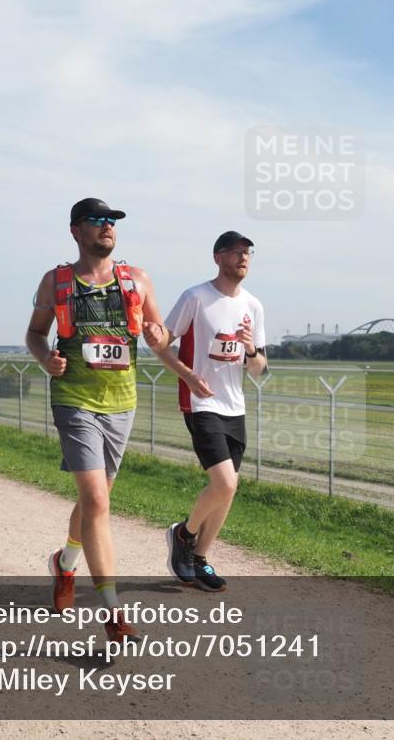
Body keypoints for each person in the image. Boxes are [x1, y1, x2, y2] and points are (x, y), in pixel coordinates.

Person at [26, 197, 164, 643]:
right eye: (98, 221)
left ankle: (65, 563)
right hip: (74, 400)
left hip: (122, 403)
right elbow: (34, 333)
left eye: (112, 221)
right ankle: (113, 612)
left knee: (95, 501)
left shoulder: (137, 279)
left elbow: (159, 334)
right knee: (98, 503)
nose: (108, 227)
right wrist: (46, 356)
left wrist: (160, 335)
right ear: (76, 231)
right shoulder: (57, 280)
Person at [143, 230, 267, 592]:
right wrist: (182, 368)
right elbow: (166, 339)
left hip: (235, 405)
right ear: (217, 257)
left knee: (228, 489)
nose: (243, 257)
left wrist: (250, 350)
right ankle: (183, 534)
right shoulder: (196, 297)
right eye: (235, 251)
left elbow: (260, 368)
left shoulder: (253, 306)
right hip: (200, 402)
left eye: (248, 252)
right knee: (225, 481)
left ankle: (199, 559)